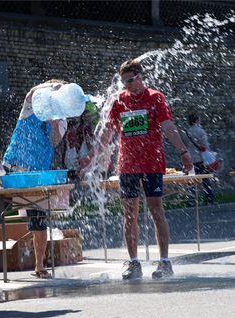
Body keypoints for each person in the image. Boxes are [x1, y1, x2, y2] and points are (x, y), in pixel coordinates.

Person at [80, 59, 193, 279]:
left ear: (141, 77)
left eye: (130, 81)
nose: (127, 86)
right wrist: (91, 157)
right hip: (127, 165)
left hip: (151, 163)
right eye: (124, 82)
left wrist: (183, 151)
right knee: (129, 215)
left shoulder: (155, 98)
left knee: (155, 210)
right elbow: (107, 134)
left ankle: (164, 262)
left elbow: (168, 127)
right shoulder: (119, 101)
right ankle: (133, 263)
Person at [0, 79, 67, 278]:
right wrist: (49, 87)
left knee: (39, 221)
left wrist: (53, 123)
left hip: (36, 175)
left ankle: (39, 266)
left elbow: (55, 141)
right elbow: (30, 94)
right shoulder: (31, 106)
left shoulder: (61, 118)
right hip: (11, 169)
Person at [183, 114, 215, 205]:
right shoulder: (201, 131)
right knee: (205, 180)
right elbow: (205, 145)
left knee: (191, 181)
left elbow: (184, 146)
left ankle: (191, 201)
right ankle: (209, 200)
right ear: (196, 120)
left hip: (190, 159)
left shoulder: (186, 132)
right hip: (201, 159)